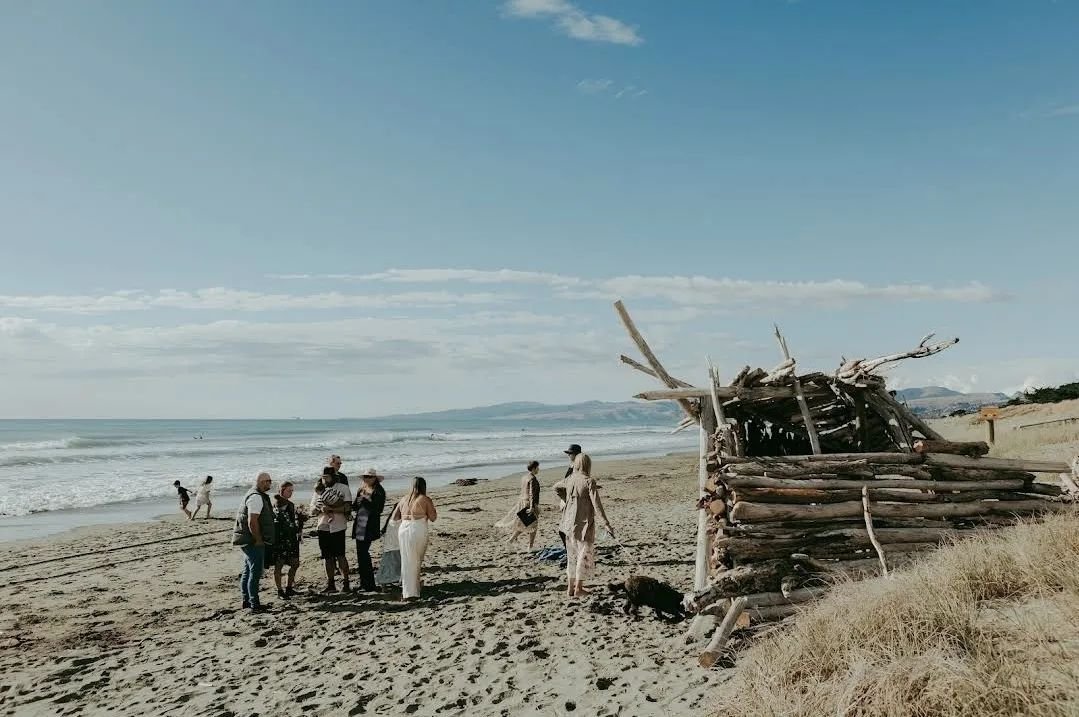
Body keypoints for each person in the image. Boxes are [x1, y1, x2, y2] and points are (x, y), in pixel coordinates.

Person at [558, 454, 614, 598]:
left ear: (576, 464)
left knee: (571, 556)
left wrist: (567, 499)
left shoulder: (570, 479)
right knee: (582, 557)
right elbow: (597, 505)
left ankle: (570, 588)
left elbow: (556, 487)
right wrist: (606, 524)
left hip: (568, 523)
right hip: (583, 525)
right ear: (588, 464)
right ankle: (578, 589)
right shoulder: (589, 481)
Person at [231, 472, 275, 611]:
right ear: (261, 482)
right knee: (255, 573)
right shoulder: (256, 497)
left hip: (246, 539)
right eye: (268, 481)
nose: (270, 483)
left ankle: (247, 601)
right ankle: (254, 603)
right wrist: (258, 539)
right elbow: (252, 521)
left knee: (247, 571)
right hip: (252, 540)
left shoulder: (253, 494)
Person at [391, 476, 437, 600]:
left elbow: (394, 518)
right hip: (417, 528)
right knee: (417, 559)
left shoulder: (404, 499)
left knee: (407, 560)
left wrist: (405, 520)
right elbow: (433, 517)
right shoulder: (425, 499)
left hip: (404, 528)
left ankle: (410, 588)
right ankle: (412, 591)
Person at [314, 468, 352, 593]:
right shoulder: (318, 489)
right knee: (327, 557)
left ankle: (346, 583)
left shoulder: (343, 488)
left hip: (338, 526)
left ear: (333, 477)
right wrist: (319, 509)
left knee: (340, 555)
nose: (324, 480)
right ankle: (331, 584)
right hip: (323, 526)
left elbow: (347, 507)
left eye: (327, 477)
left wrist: (330, 509)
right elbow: (312, 509)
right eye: (323, 477)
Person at [352, 467, 387, 592]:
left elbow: (378, 509)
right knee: (361, 555)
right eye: (366, 477)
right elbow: (354, 507)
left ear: (375, 478)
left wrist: (366, 501)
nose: (367, 479)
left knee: (364, 554)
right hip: (360, 524)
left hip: (369, 525)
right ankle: (364, 583)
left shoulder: (379, 491)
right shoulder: (361, 489)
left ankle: (369, 584)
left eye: (370, 477)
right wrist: (357, 502)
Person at [494, 460, 541, 550]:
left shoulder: (524, 477)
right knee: (533, 526)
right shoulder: (532, 479)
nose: (539, 469)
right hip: (529, 504)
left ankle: (510, 541)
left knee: (523, 524)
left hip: (522, 502)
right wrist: (532, 507)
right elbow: (531, 494)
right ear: (534, 468)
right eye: (538, 467)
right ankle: (530, 547)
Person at [272, 481, 303, 599]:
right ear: (282, 490)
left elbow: (293, 521)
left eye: (292, 491)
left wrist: (299, 520)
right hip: (280, 539)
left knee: (295, 563)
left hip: (291, 538)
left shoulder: (290, 504)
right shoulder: (276, 505)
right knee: (278, 565)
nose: (291, 493)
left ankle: (289, 587)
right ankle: (280, 590)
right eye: (289, 490)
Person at [552, 444, 582, 548]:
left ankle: (570, 552)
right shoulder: (572, 465)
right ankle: (571, 551)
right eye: (568, 453)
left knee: (564, 530)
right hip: (569, 500)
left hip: (572, 501)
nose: (568, 455)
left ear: (576, 454)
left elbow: (574, 483)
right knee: (565, 530)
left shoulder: (578, 467)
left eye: (570, 453)